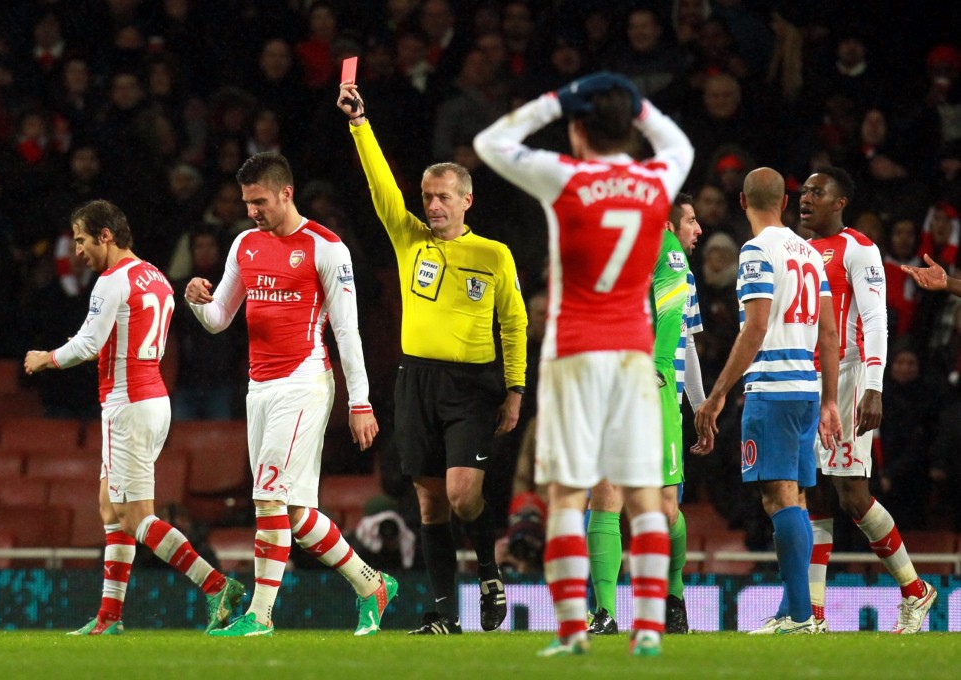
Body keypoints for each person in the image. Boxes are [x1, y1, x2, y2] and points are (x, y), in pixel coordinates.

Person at [475, 71, 693, 656]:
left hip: (573, 353)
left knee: (570, 496)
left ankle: (575, 629)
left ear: (576, 130)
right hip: (632, 357)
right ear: (631, 133)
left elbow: (490, 144)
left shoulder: (564, 178)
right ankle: (648, 628)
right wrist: (639, 102)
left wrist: (555, 98)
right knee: (645, 497)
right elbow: (680, 145)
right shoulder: (656, 180)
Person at [337, 81, 528, 636]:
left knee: (464, 492)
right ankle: (445, 614)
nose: (433, 205)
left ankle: (489, 572)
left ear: (468, 199)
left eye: (444, 196)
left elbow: (514, 322)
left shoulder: (493, 255)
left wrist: (515, 389)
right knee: (429, 505)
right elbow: (381, 189)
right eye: (428, 197)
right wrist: (360, 125)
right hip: (414, 381)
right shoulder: (409, 240)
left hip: (472, 386)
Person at [184, 151, 396, 637]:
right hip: (259, 388)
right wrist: (198, 302)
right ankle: (372, 585)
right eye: (246, 202)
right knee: (297, 515)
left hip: (303, 383)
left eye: (260, 201)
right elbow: (219, 319)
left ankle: (259, 615)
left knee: (267, 499)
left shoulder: (327, 248)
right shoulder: (244, 244)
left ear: (286, 192)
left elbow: (348, 331)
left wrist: (359, 402)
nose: (252, 210)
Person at [23, 199, 245, 636]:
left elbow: (87, 345)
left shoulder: (111, 281)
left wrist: (45, 358)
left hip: (128, 405)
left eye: (83, 240)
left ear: (106, 235)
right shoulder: (155, 275)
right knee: (111, 507)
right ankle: (109, 617)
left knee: (136, 517)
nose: (78, 251)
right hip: (151, 398)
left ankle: (216, 584)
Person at [692, 167, 843, 635]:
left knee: (777, 499)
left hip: (773, 389)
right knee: (793, 497)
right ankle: (791, 609)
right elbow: (830, 331)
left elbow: (755, 328)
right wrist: (831, 400)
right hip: (806, 386)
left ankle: (802, 615)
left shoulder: (756, 252)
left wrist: (717, 395)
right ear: (783, 202)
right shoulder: (808, 252)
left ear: (742, 202)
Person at [791, 167, 937, 635]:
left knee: (853, 495)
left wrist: (874, 385)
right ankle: (812, 615)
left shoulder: (860, 248)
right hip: (808, 378)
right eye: (804, 190)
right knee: (814, 493)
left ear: (840, 202)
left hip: (850, 376)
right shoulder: (800, 250)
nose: (806, 197)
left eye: (818, 191)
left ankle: (916, 591)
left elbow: (876, 319)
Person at [585, 192, 705, 637]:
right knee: (605, 496)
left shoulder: (667, 250)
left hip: (654, 392)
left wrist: (697, 402)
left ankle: (673, 596)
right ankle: (604, 611)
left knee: (663, 509)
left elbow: (681, 332)